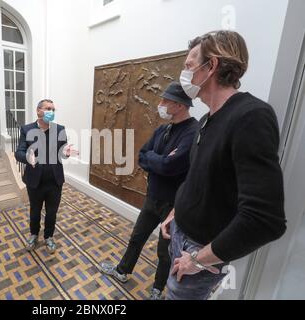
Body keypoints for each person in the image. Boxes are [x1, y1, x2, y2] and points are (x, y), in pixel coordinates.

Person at [160, 30, 287, 300]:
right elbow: (198, 177)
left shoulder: (251, 116)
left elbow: (265, 220)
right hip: (180, 233)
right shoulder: (207, 119)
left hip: (200, 251)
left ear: (212, 65)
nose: (185, 73)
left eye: (189, 65)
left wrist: (198, 260)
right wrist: (176, 211)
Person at [100, 82, 198, 300]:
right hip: (152, 197)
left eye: (166, 101)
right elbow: (142, 155)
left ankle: (158, 290)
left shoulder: (192, 132)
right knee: (137, 238)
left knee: (165, 252)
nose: (160, 104)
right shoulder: (163, 129)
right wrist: (161, 160)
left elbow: (170, 166)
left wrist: (160, 161)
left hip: (173, 205)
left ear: (180, 105)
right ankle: (123, 271)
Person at [15, 99, 78, 254]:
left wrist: (66, 153)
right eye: (48, 108)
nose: (51, 112)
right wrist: (27, 158)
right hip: (34, 180)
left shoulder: (60, 129)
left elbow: (62, 152)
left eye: (53, 109)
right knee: (35, 210)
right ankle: (34, 234)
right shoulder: (27, 129)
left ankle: (49, 236)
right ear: (38, 111)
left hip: (54, 181)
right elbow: (19, 152)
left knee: (52, 212)